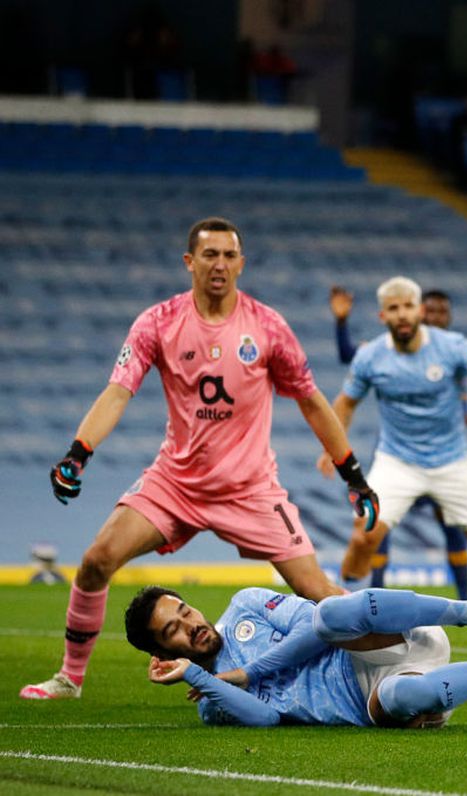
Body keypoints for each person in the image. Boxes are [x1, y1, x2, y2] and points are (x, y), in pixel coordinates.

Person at [22, 217, 379, 701]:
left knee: (316, 589)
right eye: (210, 255)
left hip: (250, 489)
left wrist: (353, 477)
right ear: (190, 262)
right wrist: (77, 453)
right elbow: (117, 392)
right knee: (95, 561)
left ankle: (398, 652)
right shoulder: (159, 322)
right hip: (177, 483)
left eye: (230, 256)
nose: (220, 265)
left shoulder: (268, 327)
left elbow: (313, 401)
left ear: (241, 264)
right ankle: (69, 679)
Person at [319, 276, 467, 645]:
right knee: (363, 538)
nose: (402, 315)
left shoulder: (451, 347)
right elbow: (346, 402)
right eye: (394, 308)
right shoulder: (371, 357)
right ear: (383, 315)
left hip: (452, 461)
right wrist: (332, 448)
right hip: (397, 462)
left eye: (408, 306)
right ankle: (350, 618)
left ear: (419, 311)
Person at [124, 579, 467, 727]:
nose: (192, 626)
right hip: (377, 698)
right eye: (174, 631)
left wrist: (248, 672)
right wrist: (200, 678)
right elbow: (264, 720)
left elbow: (313, 627)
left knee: (328, 616)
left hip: (377, 645)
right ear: (162, 651)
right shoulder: (209, 699)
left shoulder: (245, 604)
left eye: (184, 611)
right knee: (403, 699)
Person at [327, 286, 467, 596]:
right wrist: (341, 322)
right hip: (398, 459)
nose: (436, 317)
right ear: (421, 312)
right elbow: (347, 355)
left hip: (443, 458)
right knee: (377, 529)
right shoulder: (384, 349)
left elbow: (455, 391)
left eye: (442, 312)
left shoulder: (451, 353)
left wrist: (466, 411)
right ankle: (375, 600)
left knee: (454, 529)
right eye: (431, 310)